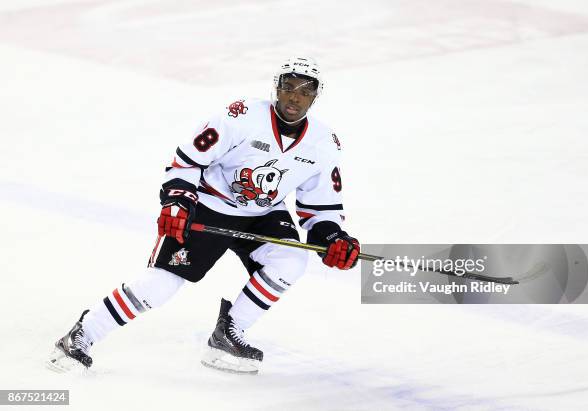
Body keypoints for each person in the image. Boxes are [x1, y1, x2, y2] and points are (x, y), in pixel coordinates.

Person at [48, 56, 361, 375]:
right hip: (211, 205)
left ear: (315, 96)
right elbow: (187, 161)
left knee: (291, 260)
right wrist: (177, 202)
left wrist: (333, 238)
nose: (295, 97)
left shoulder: (324, 143)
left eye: (305, 91)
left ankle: (228, 332)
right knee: (160, 287)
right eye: (288, 87)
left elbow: (321, 207)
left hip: (264, 213)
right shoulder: (240, 117)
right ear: (276, 88)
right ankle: (82, 334)